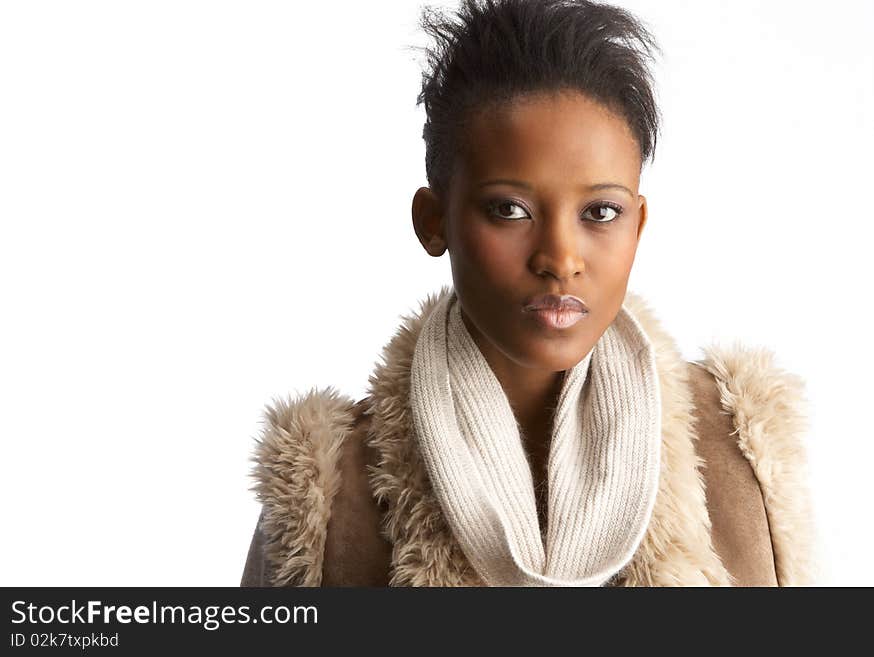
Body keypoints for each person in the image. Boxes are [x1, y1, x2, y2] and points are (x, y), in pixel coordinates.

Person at [241, 0, 817, 587]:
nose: (560, 259)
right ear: (433, 221)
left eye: (600, 211)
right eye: (509, 210)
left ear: (637, 226)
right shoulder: (331, 497)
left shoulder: (737, 451)